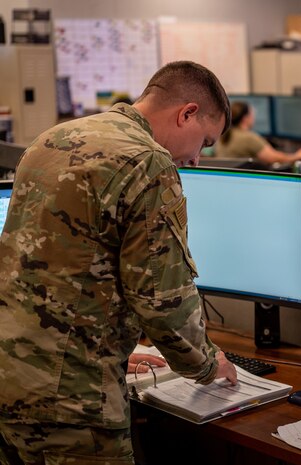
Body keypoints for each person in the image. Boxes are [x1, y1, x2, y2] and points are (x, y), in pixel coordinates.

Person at [0, 61, 238, 464]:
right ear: (188, 114)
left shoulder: (54, 138)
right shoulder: (147, 163)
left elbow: (54, 271)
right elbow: (163, 301)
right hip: (72, 402)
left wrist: (113, 347)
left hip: (12, 379)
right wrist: (208, 363)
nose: (197, 159)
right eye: (205, 142)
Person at [215, 101, 301, 166]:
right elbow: (275, 158)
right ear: (245, 118)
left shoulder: (224, 135)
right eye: (252, 114)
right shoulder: (248, 138)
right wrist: (298, 156)